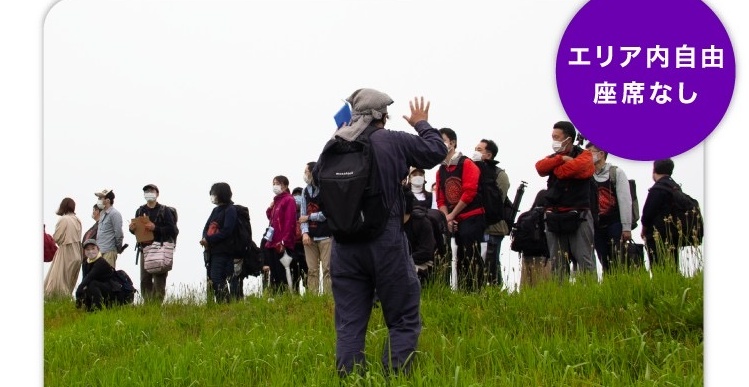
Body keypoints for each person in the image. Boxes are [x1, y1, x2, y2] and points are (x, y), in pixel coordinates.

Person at [323, 89, 446, 377]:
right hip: (385, 242)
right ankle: (394, 377)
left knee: (350, 323)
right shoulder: (392, 141)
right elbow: (437, 150)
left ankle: (351, 381)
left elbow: (319, 186)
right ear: (382, 116)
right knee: (403, 317)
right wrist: (421, 123)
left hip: (344, 245)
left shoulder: (333, 142)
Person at [535, 121, 596, 281]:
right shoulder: (556, 157)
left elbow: (571, 170)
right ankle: (561, 297)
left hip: (579, 215)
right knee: (557, 263)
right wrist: (562, 158)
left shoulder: (586, 155)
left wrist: (557, 166)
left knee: (584, 259)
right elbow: (540, 167)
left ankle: (591, 295)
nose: (553, 140)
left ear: (568, 139)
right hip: (554, 215)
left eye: (557, 137)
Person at [436, 127, 485, 292]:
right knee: (457, 256)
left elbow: (469, 193)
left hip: (471, 216)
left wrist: (451, 215)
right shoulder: (441, 170)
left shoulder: (467, 163)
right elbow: (440, 198)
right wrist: (446, 218)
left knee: (471, 255)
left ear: (452, 143)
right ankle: (460, 291)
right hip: (453, 218)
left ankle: (475, 291)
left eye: (442, 140)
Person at [585, 142, 634, 273]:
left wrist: (626, 228)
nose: (587, 155)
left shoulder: (615, 173)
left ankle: (619, 283)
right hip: (596, 225)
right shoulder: (588, 175)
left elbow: (625, 200)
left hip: (615, 223)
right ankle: (609, 283)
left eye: (590, 152)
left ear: (601, 154)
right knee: (603, 258)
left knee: (618, 257)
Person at [129, 184, 178, 304]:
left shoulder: (164, 210)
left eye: (151, 191)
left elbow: (172, 230)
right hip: (144, 248)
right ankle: (148, 304)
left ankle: (156, 305)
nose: (149, 193)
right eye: (146, 191)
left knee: (159, 279)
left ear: (157, 194)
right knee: (144, 279)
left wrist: (155, 228)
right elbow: (137, 231)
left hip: (159, 248)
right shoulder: (140, 210)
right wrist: (132, 228)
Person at [472, 138, 510, 287]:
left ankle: (495, 291)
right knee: (477, 263)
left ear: (489, 155)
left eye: (479, 150)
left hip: (493, 227)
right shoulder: (471, 169)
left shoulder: (500, 175)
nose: (475, 152)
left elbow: (497, 202)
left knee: (491, 264)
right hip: (475, 225)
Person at [200, 182, 238, 303]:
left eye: (214, 193)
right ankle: (223, 303)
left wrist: (209, 239)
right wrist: (205, 238)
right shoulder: (215, 210)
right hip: (212, 251)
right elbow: (206, 227)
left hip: (224, 251)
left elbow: (227, 230)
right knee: (213, 277)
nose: (212, 196)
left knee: (217, 277)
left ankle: (225, 303)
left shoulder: (230, 210)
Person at [299, 161, 333, 295]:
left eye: (306, 171)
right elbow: (302, 214)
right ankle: (313, 297)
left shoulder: (326, 189)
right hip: (310, 237)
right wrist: (304, 233)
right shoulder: (305, 191)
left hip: (325, 235)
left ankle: (328, 297)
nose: (305, 174)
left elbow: (327, 213)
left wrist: (309, 217)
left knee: (327, 269)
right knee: (312, 270)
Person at [641, 158, 681, 268]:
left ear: (654, 170)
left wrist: (644, 230)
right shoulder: (675, 187)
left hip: (657, 235)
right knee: (673, 266)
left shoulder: (657, 189)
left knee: (658, 265)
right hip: (673, 233)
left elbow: (647, 214)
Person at [262, 176, 298, 294]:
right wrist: (270, 208)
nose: (275, 186)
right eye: (273, 183)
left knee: (284, 271)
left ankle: (287, 295)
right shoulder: (277, 200)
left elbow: (290, 221)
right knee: (275, 272)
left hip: (282, 243)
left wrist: (285, 240)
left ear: (285, 185)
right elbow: (272, 218)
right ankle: (278, 295)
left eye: (277, 183)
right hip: (272, 241)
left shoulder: (289, 199)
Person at [44, 197, 83, 299]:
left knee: (58, 280)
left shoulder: (63, 219)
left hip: (66, 251)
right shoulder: (77, 219)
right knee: (69, 281)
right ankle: (65, 301)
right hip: (77, 253)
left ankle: (58, 302)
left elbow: (57, 237)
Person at [518, 189, 553, 290]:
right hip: (544, 259)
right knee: (544, 292)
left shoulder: (525, 215)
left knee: (526, 292)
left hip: (526, 257)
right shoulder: (547, 215)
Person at [403, 189, 436, 287]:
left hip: (421, 262)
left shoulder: (422, 222)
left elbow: (427, 251)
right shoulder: (392, 224)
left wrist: (404, 260)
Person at [75, 239, 118, 311]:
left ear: (98, 249)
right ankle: (88, 308)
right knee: (87, 286)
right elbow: (84, 280)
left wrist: (78, 291)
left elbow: (90, 277)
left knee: (92, 284)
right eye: (87, 249)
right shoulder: (85, 263)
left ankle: (98, 309)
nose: (90, 251)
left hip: (112, 291)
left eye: (93, 248)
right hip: (98, 289)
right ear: (84, 252)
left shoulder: (101, 262)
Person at [94, 189, 124, 268]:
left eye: (100, 198)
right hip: (99, 251)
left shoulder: (115, 214)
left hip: (109, 251)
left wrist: (118, 248)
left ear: (107, 200)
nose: (99, 200)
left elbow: (119, 234)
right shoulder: (102, 213)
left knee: (107, 278)